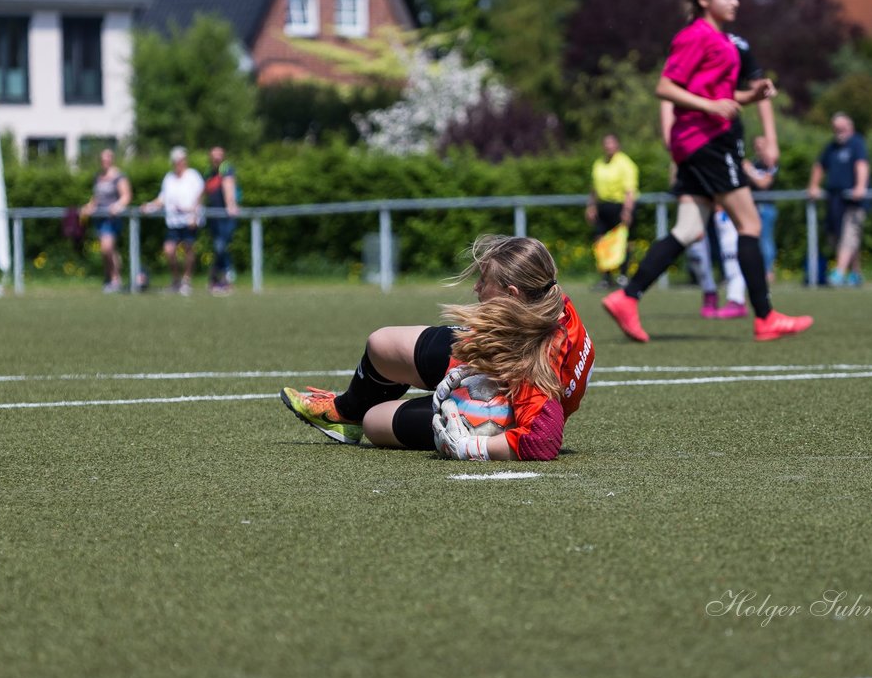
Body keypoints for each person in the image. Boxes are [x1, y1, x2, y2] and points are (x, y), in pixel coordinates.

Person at [601, 0, 811, 343]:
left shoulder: (723, 41)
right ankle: (765, 318)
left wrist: (754, 94)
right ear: (704, 0)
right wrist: (712, 107)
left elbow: (722, 95)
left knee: (687, 228)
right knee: (750, 225)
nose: (735, 2)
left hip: (700, 142)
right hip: (708, 142)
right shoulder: (695, 35)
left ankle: (626, 297)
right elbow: (664, 87)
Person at [280, 235, 594, 461]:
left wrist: (471, 448)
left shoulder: (534, 363)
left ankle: (359, 418)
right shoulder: (546, 295)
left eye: (484, 280)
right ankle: (344, 413)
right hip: (502, 354)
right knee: (381, 343)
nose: (476, 287)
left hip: (500, 409)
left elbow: (543, 439)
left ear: (511, 294)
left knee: (375, 421)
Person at [807, 112, 869, 287]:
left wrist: (860, 186)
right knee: (839, 238)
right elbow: (820, 165)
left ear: (850, 127)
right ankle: (856, 274)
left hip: (853, 200)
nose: (839, 132)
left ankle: (839, 273)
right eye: (836, 128)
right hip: (835, 199)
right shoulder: (832, 146)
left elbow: (862, 164)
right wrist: (813, 186)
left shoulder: (857, 143)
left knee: (849, 236)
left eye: (842, 128)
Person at [140, 146, 204, 295]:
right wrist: (149, 206)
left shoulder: (193, 176)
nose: (179, 163)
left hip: (189, 220)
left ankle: (186, 280)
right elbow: (162, 199)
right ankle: (176, 280)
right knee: (169, 250)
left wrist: (194, 215)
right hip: (174, 221)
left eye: (181, 160)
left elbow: (200, 197)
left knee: (189, 248)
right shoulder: (169, 178)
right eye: (176, 161)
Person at [586, 133, 638, 289]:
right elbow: (594, 188)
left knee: (623, 242)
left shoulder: (625, 164)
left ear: (617, 145)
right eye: (606, 143)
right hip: (603, 206)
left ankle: (623, 275)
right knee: (601, 242)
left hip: (620, 206)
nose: (608, 146)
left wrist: (627, 211)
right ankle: (606, 277)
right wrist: (591, 206)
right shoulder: (598, 164)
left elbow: (630, 190)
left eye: (611, 143)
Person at [80, 149, 132, 294]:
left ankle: (115, 279)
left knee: (107, 248)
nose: (105, 161)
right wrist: (89, 207)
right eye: (103, 159)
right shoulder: (98, 176)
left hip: (112, 218)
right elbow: (97, 197)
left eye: (107, 158)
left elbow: (126, 196)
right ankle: (110, 278)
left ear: (112, 159)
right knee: (107, 251)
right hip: (100, 218)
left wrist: (117, 206)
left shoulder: (119, 176)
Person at [203, 146, 241, 295]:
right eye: (214, 155)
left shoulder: (226, 168)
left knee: (221, 247)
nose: (217, 157)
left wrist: (231, 205)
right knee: (219, 247)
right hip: (214, 217)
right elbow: (204, 192)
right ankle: (219, 279)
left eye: (219, 155)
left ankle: (222, 278)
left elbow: (229, 186)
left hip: (226, 216)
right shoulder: (208, 172)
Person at [743, 134, 778, 284]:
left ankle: (768, 272)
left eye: (762, 145)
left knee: (766, 241)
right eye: (756, 145)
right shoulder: (754, 163)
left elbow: (763, 184)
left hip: (766, 208)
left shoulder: (771, 164)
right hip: (752, 208)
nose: (759, 148)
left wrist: (748, 170)